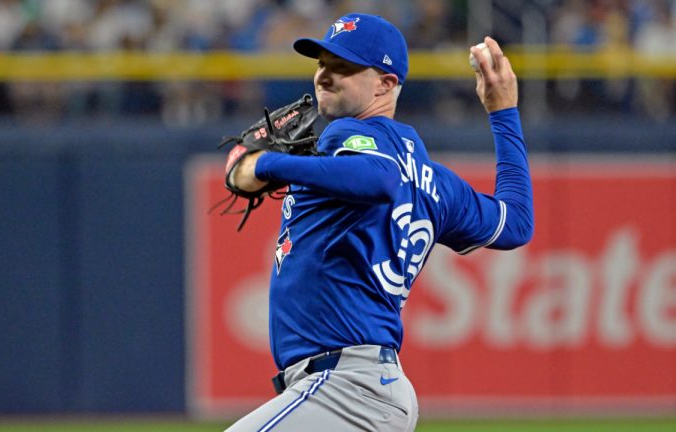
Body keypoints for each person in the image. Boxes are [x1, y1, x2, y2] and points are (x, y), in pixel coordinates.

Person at [226, 13, 533, 432]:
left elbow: (379, 179)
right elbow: (514, 222)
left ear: (386, 84)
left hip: (345, 389)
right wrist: (503, 114)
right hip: (370, 389)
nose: (325, 76)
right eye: (322, 64)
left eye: (345, 67)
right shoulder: (435, 183)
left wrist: (267, 164)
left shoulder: (346, 135)